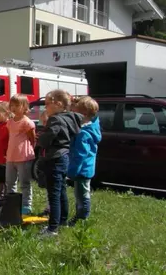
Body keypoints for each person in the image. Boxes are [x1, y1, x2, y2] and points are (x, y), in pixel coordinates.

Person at [38, 89, 83, 236]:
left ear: (57, 104)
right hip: (64, 157)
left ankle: (52, 228)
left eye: (47, 104)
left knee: (54, 194)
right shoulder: (70, 118)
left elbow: (47, 139)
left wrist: (40, 138)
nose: (46, 108)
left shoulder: (55, 119)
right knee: (61, 190)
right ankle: (62, 220)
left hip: (55, 158)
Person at [68, 96, 101, 226]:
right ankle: (80, 215)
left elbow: (80, 154)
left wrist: (72, 171)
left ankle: (82, 218)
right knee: (82, 192)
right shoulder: (92, 126)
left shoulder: (83, 133)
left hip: (82, 169)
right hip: (86, 167)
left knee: (81, 195)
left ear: (84, 114)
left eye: (75, 111)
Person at [5, 94, 36, 215]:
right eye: (12, 105)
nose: (13, 108)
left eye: (17, 105)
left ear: (24, 107)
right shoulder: (10, 122)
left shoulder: (27, 122)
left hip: (23, 157)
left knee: (24, 182)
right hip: (11, 156)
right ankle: (11, 203)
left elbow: (32, 139)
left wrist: (29, 150)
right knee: (10, 182)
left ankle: (26, 205)